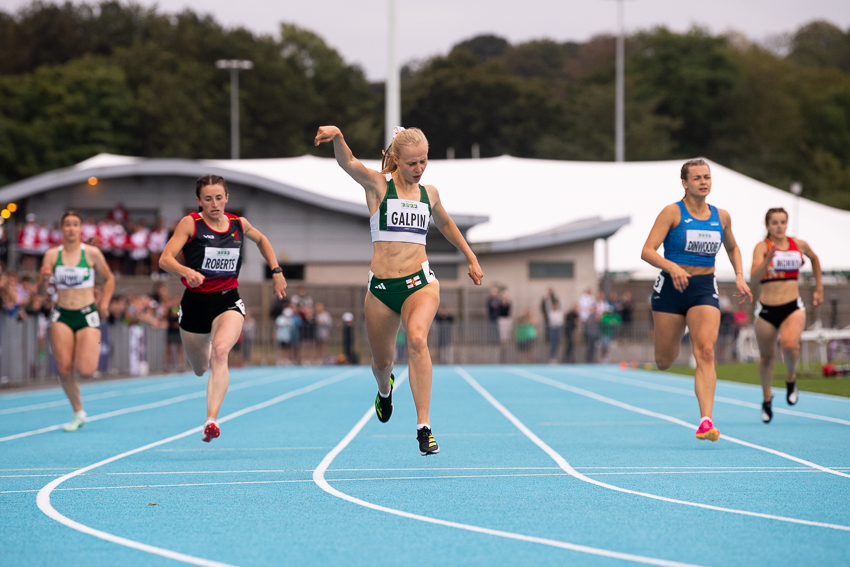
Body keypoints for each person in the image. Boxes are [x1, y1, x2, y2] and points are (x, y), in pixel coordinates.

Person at [315, 124, 483, 456]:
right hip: (381, 290)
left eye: (423, 161)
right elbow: (348, 163)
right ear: (395, 159)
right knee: (382, 363)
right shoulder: (378, 186)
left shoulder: (429, 194)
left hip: (420, 284)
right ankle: (385, 390)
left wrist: (471, 256)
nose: (419, 169)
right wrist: (338, 137)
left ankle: (424, 427)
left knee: (417, 338)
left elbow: (446, 224)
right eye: (412, 163)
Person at [159, 175, 287, 442]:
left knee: (220, 352)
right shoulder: (190, 224)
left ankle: (211, 419)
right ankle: (203, 349)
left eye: (219, 197)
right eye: (208, 199)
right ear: (199, 201)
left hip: (227, 300)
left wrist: (276, 271)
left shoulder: (239, 224)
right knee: (200, 367)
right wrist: (185, 271)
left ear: (227, 198)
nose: (214, 203)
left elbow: (262, 240)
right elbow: (165, 259)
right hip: (194, 304)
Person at [641, 159, 752, 442]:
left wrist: (740, 276)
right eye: (697, 178)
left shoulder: (721, 216)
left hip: (703, 289)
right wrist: (672, 266)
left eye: (707, 177)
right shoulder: (672, 212)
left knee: (705, 351)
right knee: (665, 360)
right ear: (685, 183)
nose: (703, 182)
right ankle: (675, 335)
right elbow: (647, 251)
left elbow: (733, 246)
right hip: (670, 289)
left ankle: (706, 420)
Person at [38, 211, 115, 432]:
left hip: (86, 312)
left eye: (75, 224)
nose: (71, 228)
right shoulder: (52, 255)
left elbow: (109, 278)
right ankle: (79, 412)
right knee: (64, 369)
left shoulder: (91, 253)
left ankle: (80, 407)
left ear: (81, 229)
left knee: (86, 370)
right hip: (61, 313)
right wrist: (43, 279)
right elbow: (42, 292)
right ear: (61, 229)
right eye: (67, 225)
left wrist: (105, 304)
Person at [750, 207, 822, 423]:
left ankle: (790, 378)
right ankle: (766, 398)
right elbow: (753, 278)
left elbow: (815, 259)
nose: (779, 226)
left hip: (792, 306)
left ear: (787, 224)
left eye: (782, 222)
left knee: (790, 345)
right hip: (766, 310)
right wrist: (767, 260)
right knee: (767, 357)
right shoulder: (762, 247)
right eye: (774, 223)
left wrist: (819, 288)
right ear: (767, 226)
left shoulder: (798, 244)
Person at [546, 299, 564, 363]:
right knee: (552, 343)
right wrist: (548, 298)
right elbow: (547, 306)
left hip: (558, 328)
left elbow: (560, 321)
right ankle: (551, 357)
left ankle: (555, 357)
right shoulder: (551, 312)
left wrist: (562, 298)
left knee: (557, 343)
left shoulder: (559, 312)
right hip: (552, 328)